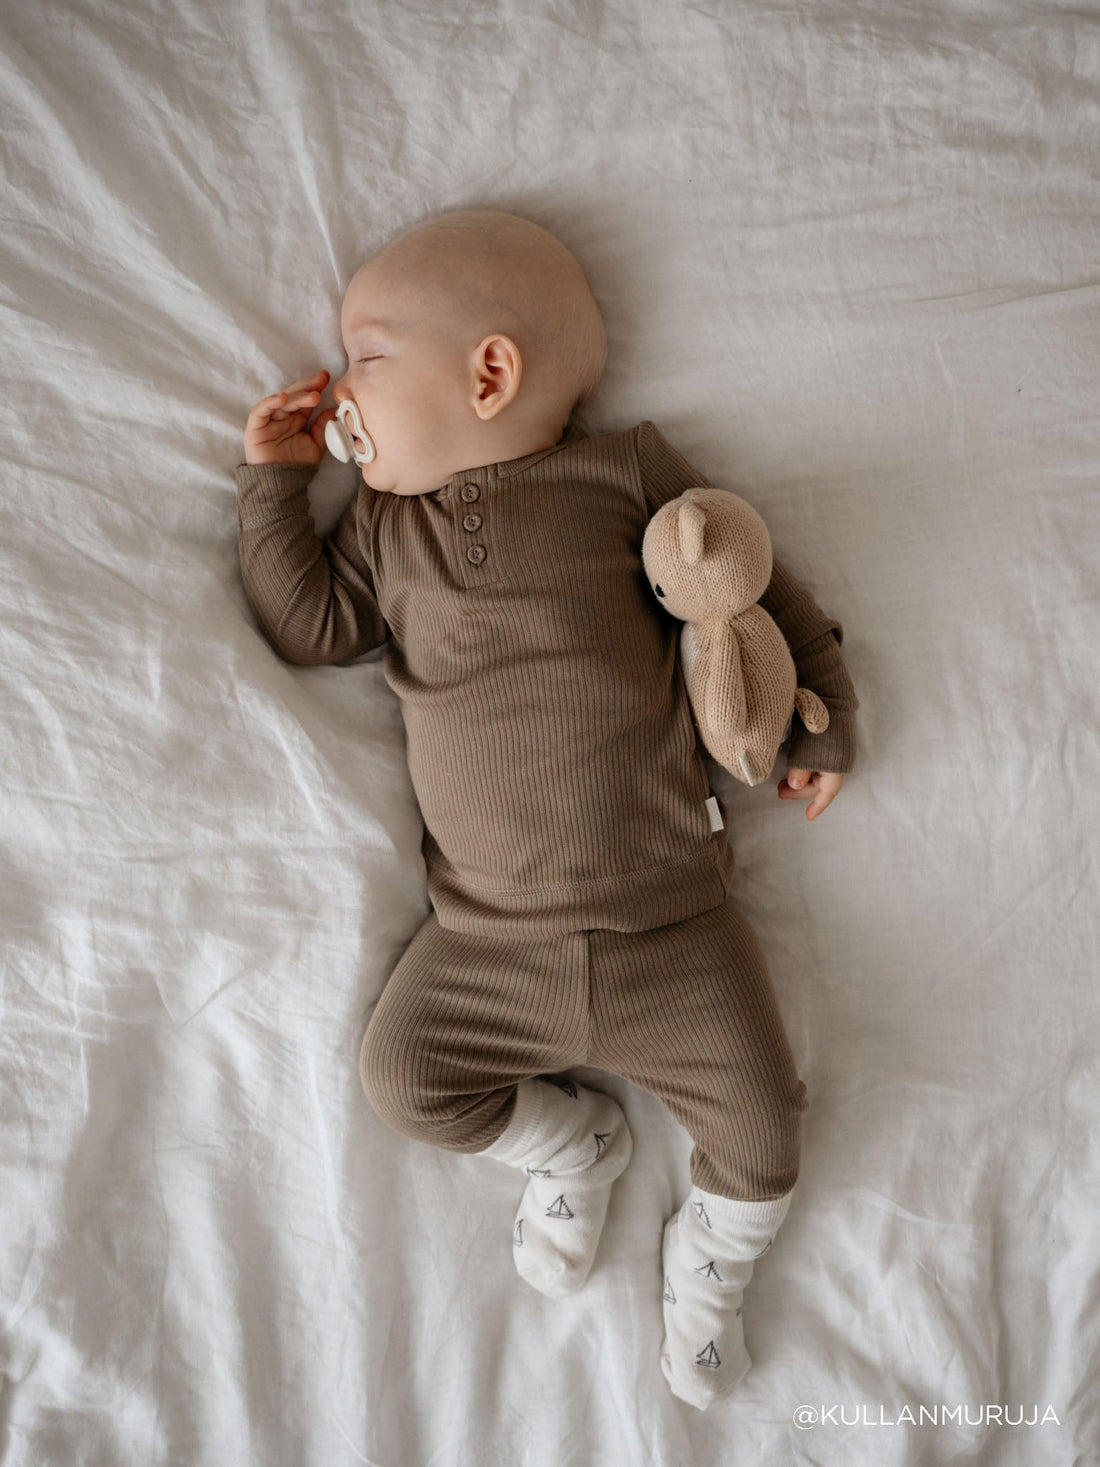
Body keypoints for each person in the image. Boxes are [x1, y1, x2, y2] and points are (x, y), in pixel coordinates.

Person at [234, 207, 859, 1411]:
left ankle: (712, 1270)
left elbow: (743, 577)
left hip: (673, 929)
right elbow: (309, 628)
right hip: (486, 945)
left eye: (364, 357)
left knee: (764, 1130)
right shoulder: (384, 528)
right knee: (402, 1079)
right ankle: (570, 1146)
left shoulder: (624, 476)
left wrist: (822, 709)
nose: (339, 392)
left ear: (487, 374)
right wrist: (275, 489)